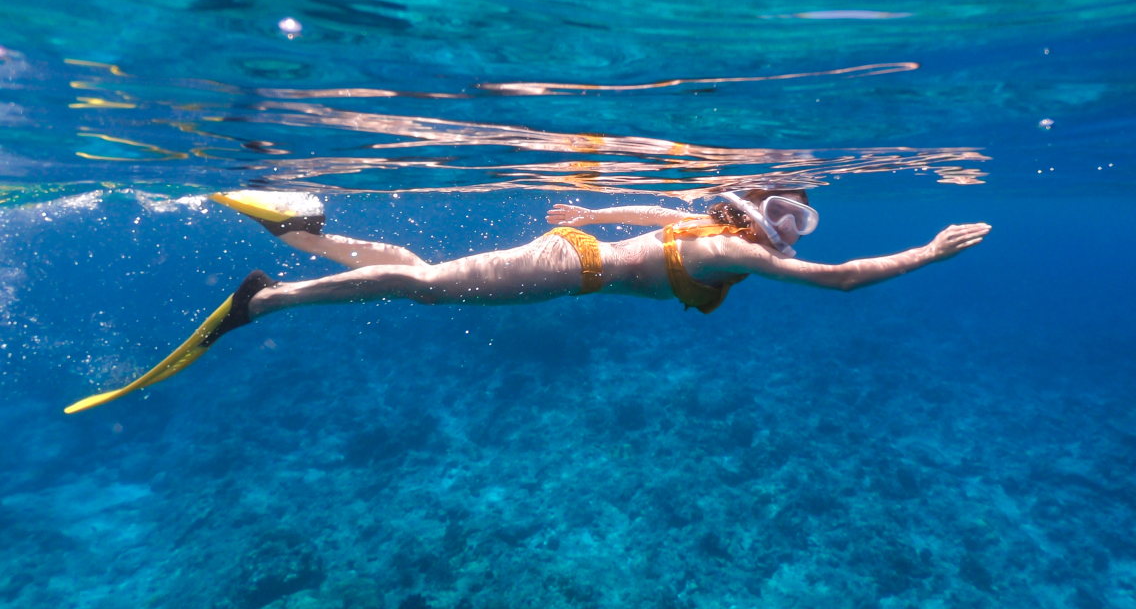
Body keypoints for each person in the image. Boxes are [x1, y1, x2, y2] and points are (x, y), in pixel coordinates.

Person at [64, 189, 991, 413]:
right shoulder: (729, 252)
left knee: (419, 271)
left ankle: (300, 229)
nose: (792, 240)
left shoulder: (701, 226)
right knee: (424, 285)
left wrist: (584, 209)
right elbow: (838, 282)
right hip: (568, 271)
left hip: (570, 251)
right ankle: (265, 303)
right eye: (788, 228)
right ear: (764, 227)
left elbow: (638, 208)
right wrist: (930, 252)